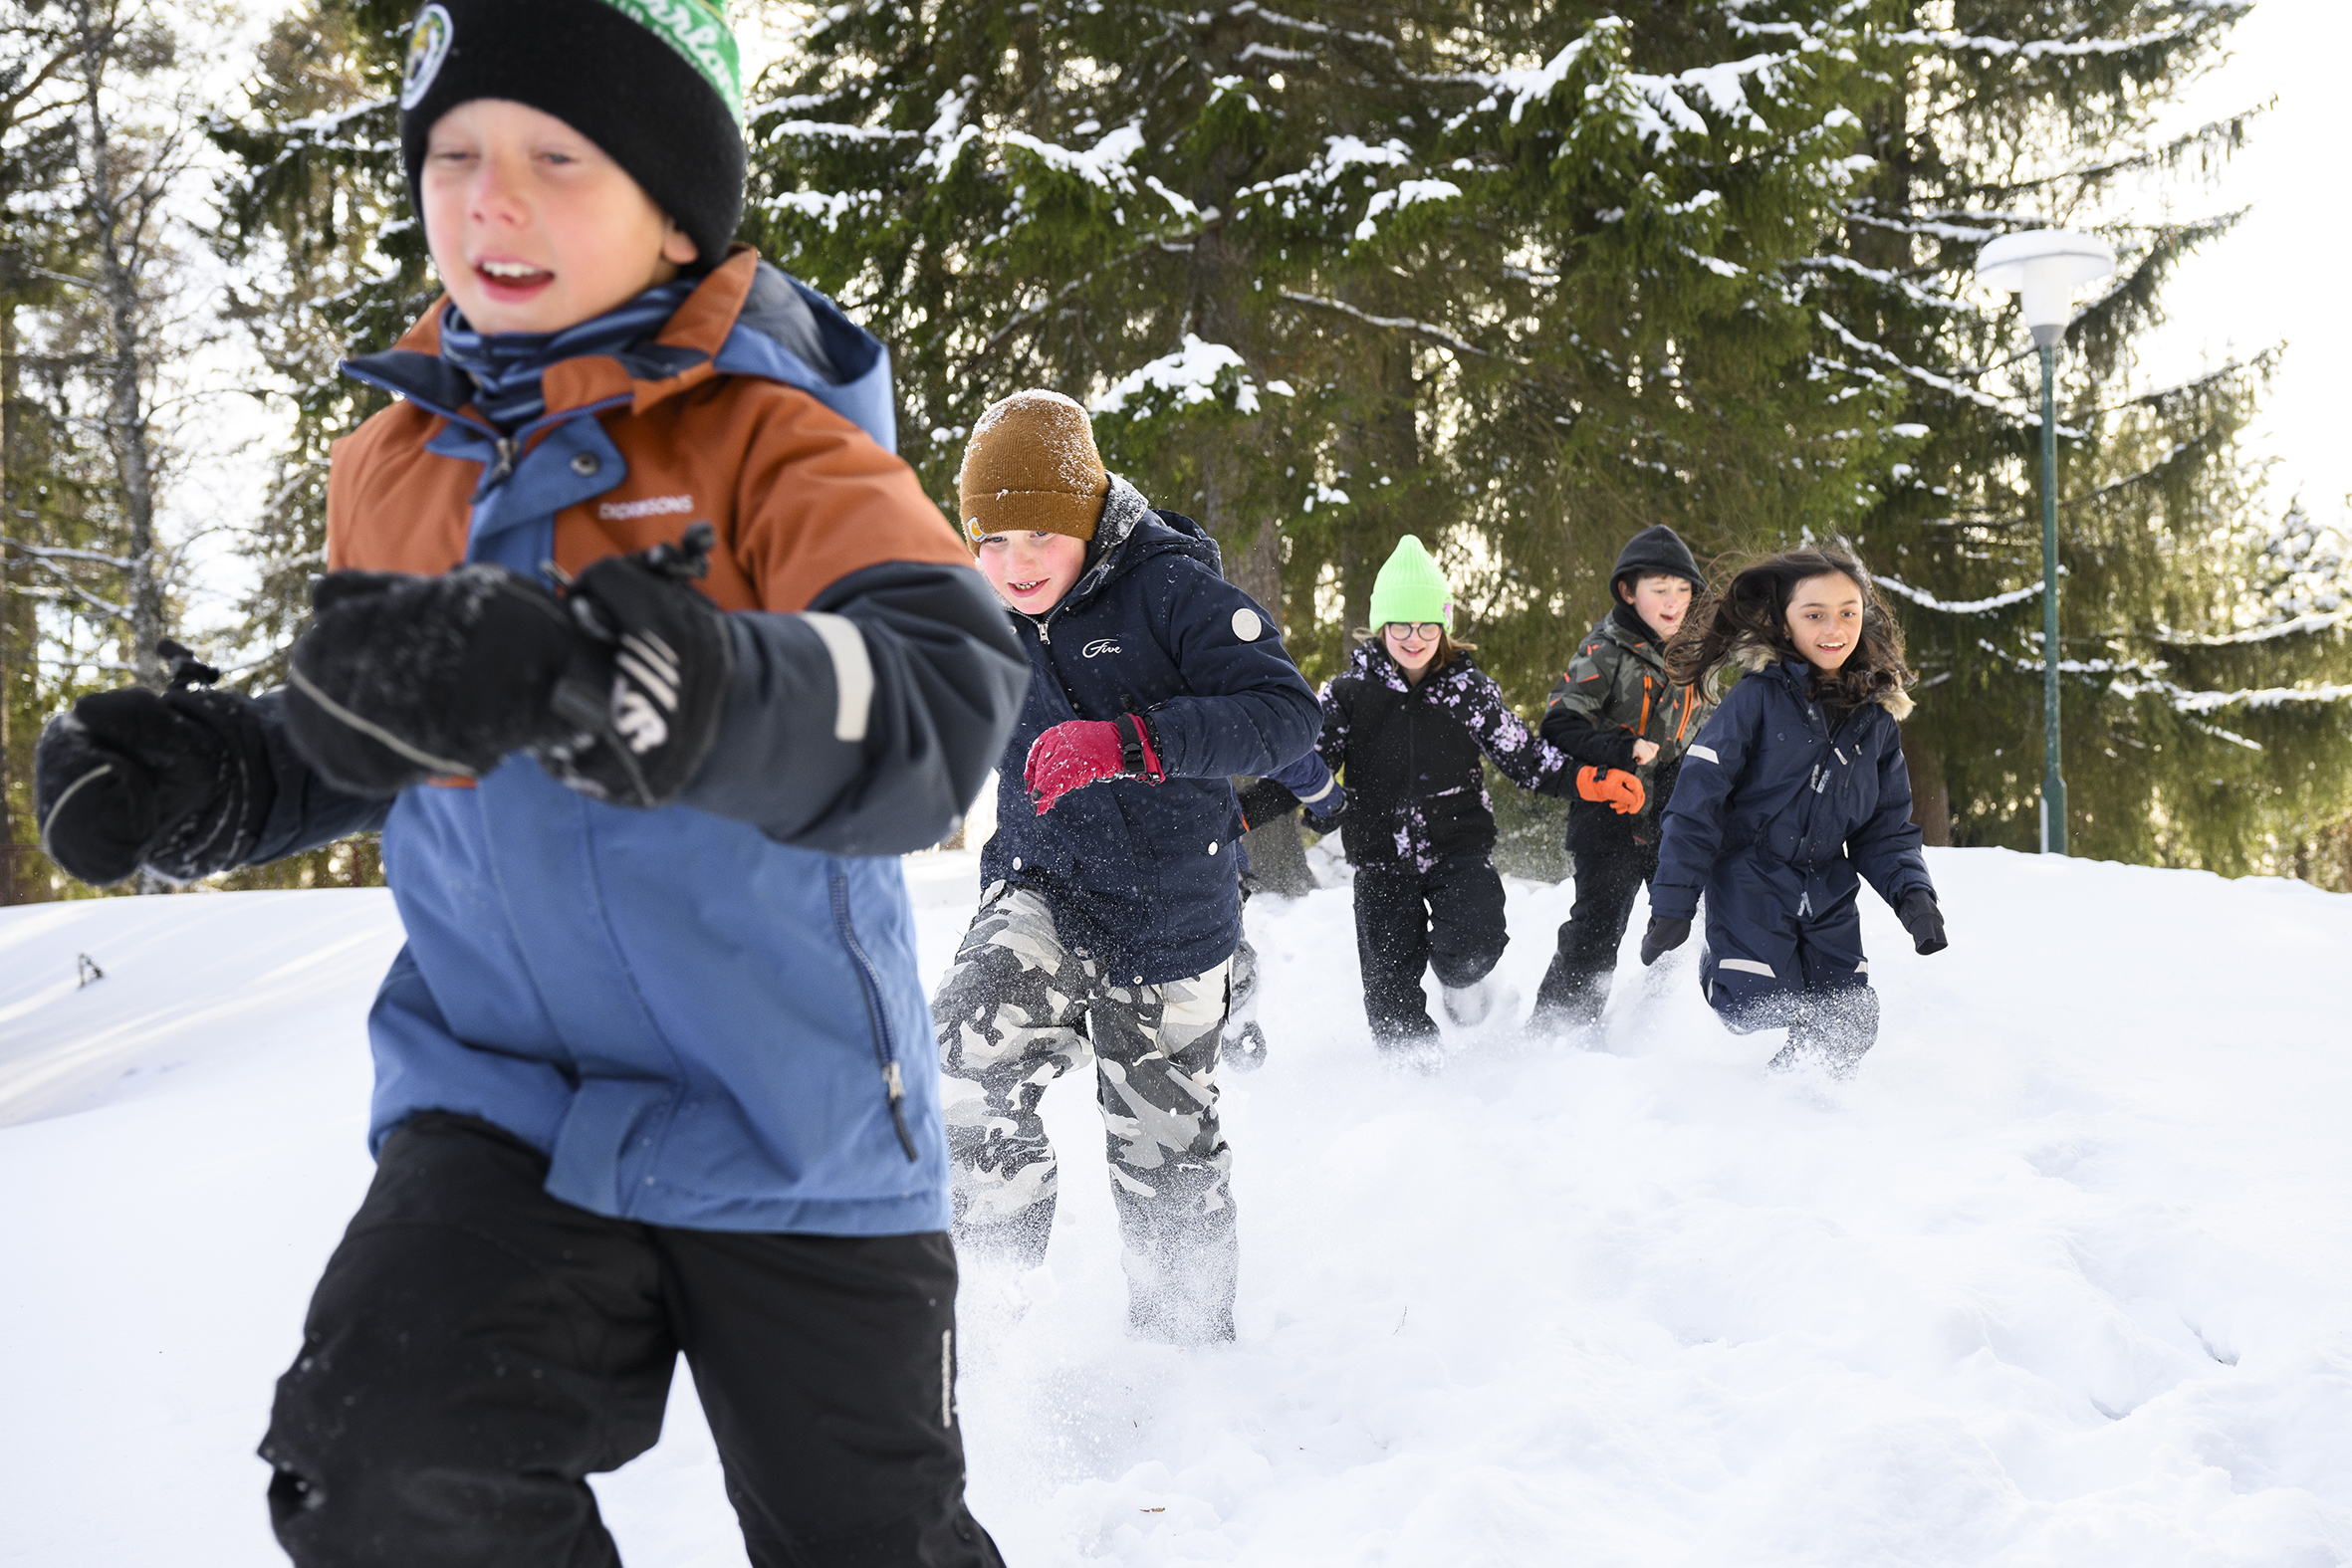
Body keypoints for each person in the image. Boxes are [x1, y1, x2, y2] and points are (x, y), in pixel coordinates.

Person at [33, 3, 1027, 1561]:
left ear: (673, 203)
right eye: (452, 154)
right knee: (387, 1472)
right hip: (501, 1105)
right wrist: (223, 774)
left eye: (558, 156)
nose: (491, 199)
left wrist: (633, 678)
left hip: (791, 1116)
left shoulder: (777, 440)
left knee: (866, 1539)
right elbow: (389, 725)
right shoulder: (393, 459)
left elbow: (935, 704)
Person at [933, 389, 1322, 1346]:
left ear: (1086, 517)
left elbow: (1288, 716)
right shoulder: (984, 617)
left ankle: (1186, 1353)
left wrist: (1130, 742)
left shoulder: (1173, 592)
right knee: (960, 1049)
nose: (1015, 565)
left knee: (1164, 1151)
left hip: (1170, 912)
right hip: (1044, 890)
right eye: (991, 540)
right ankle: (988, 1302)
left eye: (1039, 537)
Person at [1639, 547, 1950, 1074]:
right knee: (1756, 1014)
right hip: (1748, 883)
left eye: (1848, 612)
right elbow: (1697, 803)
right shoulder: (1755, 700)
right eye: (1815, 614)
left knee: (1849, 1025)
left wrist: (1914, 898)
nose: (1835, 628)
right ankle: (1735, 1110)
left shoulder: (1874, 721)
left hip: (1828, 894)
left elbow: (1887, 829)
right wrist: (1673, 902)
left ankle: (1810, 1130)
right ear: (1784, 621)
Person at [1316, 535, 1576, 1048]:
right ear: (1381, 625)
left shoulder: (1468, 689)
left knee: (1475, 943)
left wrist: (1590, 780)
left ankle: (1460, 983)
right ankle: (1416, 1084)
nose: (1415, 637)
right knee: (1389, 994)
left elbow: (1523, 754)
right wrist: (1256, 810)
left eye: (1427, 625)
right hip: (1381, 860)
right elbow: (1307, 769)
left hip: (1457, 849)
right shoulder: (1348, 693)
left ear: (1444, 626)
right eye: (1401, 625)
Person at [1529, 525, 1712, 1032]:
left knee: (1685, 922)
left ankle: (1662, 1030)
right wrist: (1621, 749)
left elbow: (1711, 731)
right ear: (1629, 592)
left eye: (1682, 589)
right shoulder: (1604, 650)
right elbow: (1558, 725)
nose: (1673, 602)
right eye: (1660, 589)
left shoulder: (1696, 658)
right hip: (1607, 814)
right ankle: (1556, 1034)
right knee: (1597, 929)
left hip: (1672, 820)